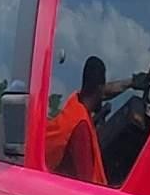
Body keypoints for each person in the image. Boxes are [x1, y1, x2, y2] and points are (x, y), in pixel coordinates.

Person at [45, 54, 118, 183]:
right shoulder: (81, 128)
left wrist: (131, 82)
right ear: (100, 89)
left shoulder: (74, 106)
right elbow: (88, 184)